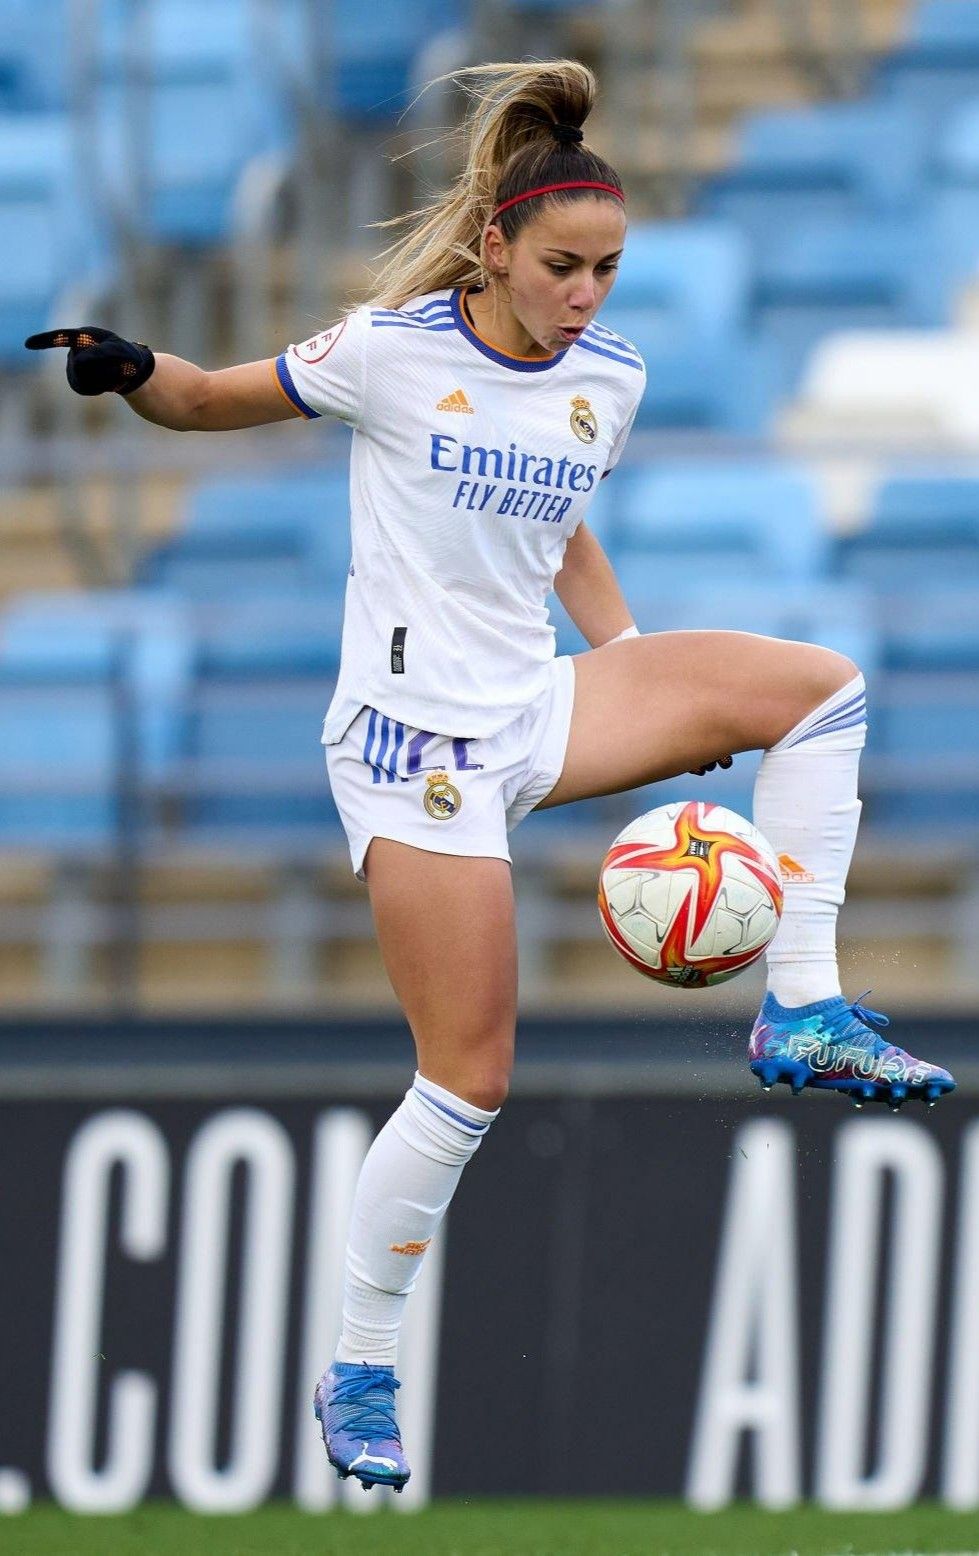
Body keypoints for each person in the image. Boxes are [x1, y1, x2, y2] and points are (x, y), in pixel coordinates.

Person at [27, 58, 955, 1496]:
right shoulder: (394, 352)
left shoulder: (611, 381)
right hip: (412, 753)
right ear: (496, 251)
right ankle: (360, 1364)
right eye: (567, 267)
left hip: (530, 706)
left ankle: (805, 1010)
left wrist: (636, 668)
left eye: (612, 270)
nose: (591, 294)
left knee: (819, 693)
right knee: (470, 1078)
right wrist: (138, 372)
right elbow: (219, 398)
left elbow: (560, 530)